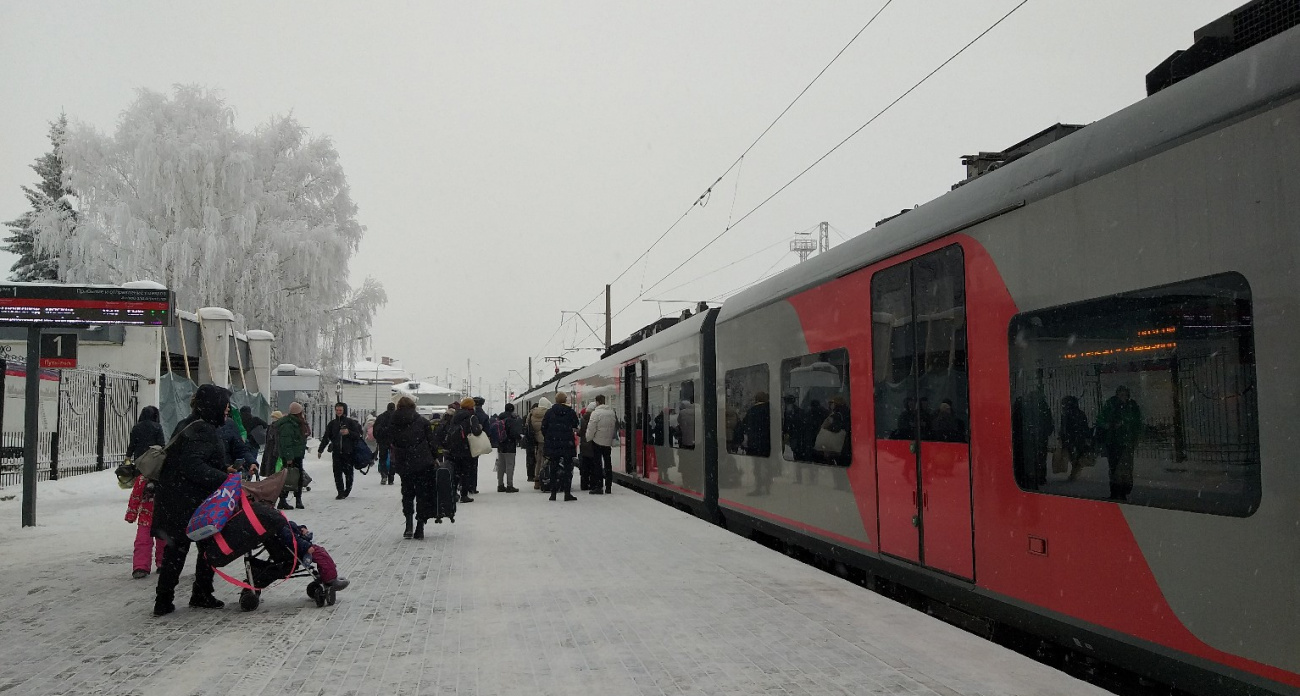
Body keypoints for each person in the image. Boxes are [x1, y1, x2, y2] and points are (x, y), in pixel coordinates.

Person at [151, 384, 234, 616]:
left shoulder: (189, 423)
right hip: (189, 503)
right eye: (225, 405)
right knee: (206, 548)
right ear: (214, 405)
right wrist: (224, 478)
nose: (227, 410)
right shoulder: (202, 429)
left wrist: (220, 468)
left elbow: (189, 461)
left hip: (177, 499)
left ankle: (165, 599)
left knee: (176, 551)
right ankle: (200, 593)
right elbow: (193, 466)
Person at [125, 406, 166, 579]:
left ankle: (140, 566)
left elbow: (132, 444)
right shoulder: (157, 427)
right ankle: (163, 563)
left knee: (143, 539)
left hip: (141, 465)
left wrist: (131, 514)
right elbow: (163, 446)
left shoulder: (137, 427)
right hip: (162, 513)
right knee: (163, 538)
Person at [388, 396, 438, 539]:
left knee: (407, 493)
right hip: (423, 463)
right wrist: (434, 456)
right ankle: (420, 527)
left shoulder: (394, 422)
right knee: (422, 494)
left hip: (404, 463)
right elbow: (431, 442)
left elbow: (389, 438)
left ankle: (408, 525)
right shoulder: (422, 422)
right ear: (413, 407)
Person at [1097, 386, 1142, 500]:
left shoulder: (1131, 406)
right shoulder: (1112, 405)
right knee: (1114, 467)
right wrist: (1109, 424)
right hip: (1113, 440)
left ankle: (1122, 490)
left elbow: (1136, 422)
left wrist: (1123, 423)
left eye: (1125, 395)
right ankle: (1116, 491)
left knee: (1123, 467)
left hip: (1124, 441)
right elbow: (1101, 419)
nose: (1123, 397)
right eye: (1121, 395)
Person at [280, 521, 349, 590]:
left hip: (298, 544)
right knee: (322, 556)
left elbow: (290, 528)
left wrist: (301, 529)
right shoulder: (278, 524)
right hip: (299, 548)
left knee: (322, 553)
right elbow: (290, 537)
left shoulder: (277, 521)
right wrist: (306, 546)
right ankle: (330, 579)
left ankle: (330, 576)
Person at [318, 402, 362, 500]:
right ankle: (340, 491)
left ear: (344, 411)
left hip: (348, 452)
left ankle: (347, 489)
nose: (338, 412)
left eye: (340, 410)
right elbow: (326, 437)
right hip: (337, 452)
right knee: (337, 473)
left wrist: (348, 432)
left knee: (348, 473)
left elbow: (357, 436)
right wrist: (320, 449)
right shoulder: (332, 424)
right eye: (337, 410)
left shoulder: (350, 422)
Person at [443, 397, 484, 503]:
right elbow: (476, 432)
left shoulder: (455, 416)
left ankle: (453, 493)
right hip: (466, 448)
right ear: (471, 406)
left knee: (455, 472)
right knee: (465, 472)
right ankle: (464, 495)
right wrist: (479, 427)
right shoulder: (471, 417)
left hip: (454, 448)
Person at [541, 392, 580, 502]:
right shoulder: (570, 412)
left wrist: (549, 437)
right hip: (567, 445)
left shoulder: (549, 412)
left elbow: (543, 427)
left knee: (553, 468)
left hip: (553, 445)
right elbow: (575, 424)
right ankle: (567, 493)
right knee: (568, 469)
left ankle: (553, 494)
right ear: (565, 400)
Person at [1012, 389, 1054, 489]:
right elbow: (1049, 421)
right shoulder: (1042, 406)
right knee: (1040, 458)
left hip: (1027, 439)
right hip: (1040, 437)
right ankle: (1040, 477)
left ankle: (1033, 477)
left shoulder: (1024, 406)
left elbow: (1016, 424)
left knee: (1029, 458)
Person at [275, 403, 310, 510]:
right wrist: (289, 457)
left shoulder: (297, 423)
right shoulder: (288, 425)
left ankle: (298, 499)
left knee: (297, 478)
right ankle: (283, 500)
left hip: (297, 454)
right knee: (288, 478)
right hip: (290, 456)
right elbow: (286, 442)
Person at [585, 395, 617, 495]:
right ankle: (608, 487)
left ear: (597, 402)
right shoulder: (611, 413)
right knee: (608, 463)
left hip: (597, 442)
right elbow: (614, 426)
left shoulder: (595, 413)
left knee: (598, 465)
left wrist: (588, 438)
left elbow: (591, 428)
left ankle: (599, 487)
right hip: (607, 443)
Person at [743, 392, 772, 495]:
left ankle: (759, 486)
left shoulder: (752, 411)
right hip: (768, 443)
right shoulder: (772, 410)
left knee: (757, 466)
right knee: (768, 466)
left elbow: (745, 425)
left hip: (755, 444)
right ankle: (768, 485)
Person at [1059, 396, 1091, 481]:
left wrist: (1063, 437)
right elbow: (1085, 426)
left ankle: (1074, 473)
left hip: (1071, 438)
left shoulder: (1066, 414)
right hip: (1079, 438)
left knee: (1073, 456)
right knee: (1077, 455)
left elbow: (1064, 428)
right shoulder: (1080, 413)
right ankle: (1075, 472)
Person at [494, 404, 525, 492]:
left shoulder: (500, 418)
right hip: (510, 445)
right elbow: (513, 433)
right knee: (510, 465)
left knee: (501, 466)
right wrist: (520, 438)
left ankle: (500, 485)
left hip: (500, 445)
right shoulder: (511, 419)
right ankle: (509, 485)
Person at [527, 397, 551, 489]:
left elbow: (528, 425)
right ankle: (544, 477)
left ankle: (537, 480)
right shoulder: (548, 413)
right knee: (546, 460)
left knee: (538, 460)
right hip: (547, 439)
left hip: (537, 439)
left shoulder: (532, 413)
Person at [470, 397, 491, 494]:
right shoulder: (484, 416)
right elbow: (488, 431)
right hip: (477, 442)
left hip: (466, 441)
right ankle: (473, 486)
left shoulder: (469, 414)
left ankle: (464, 485)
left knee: (465, 466)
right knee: (474, 465)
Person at [373, 402, 397, 485]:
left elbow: (375, 430)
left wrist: (378, 439)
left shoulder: (380, 417)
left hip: (383, 441)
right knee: (393, 459)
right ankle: (391, 477)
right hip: (394, 441)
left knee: (382, 458)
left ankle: (384, 475)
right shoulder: (397, 417)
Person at [577, 402, 595, 490]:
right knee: (593, 466)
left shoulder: (583, 419)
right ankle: (593, 484)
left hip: (584, 446)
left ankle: (584, 484)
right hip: (593, 445)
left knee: (584, 467)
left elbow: (580, 433)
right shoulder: (594, 419)